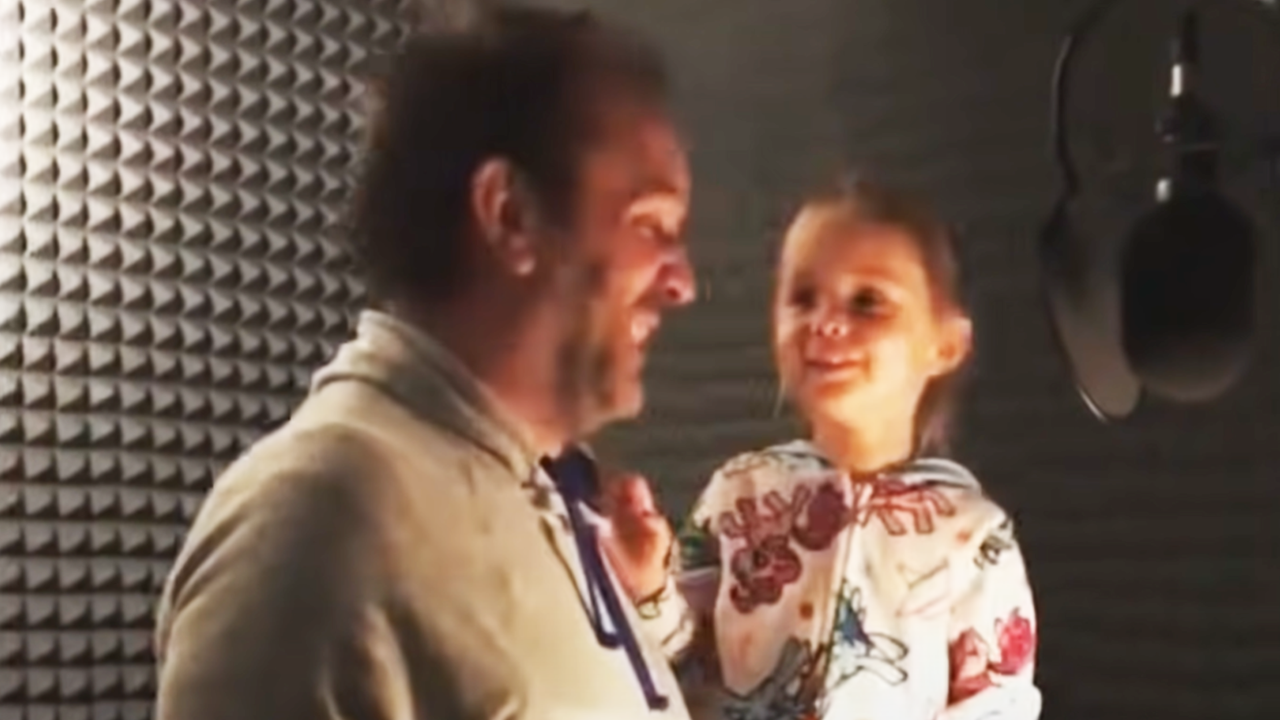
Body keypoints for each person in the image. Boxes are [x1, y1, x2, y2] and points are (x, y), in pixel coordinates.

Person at [152, 4, 699, 719]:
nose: (683, 283)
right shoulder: (313, 528)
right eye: (651, 225)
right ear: (511, 216)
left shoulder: (533, 494)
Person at [628, 178, 1041, 719]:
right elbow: (674, 667)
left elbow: (997, 707)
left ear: (945, 345)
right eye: (802, 298)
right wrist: (648, 588)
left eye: (868, 302)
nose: (824, 321)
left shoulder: (974, 536)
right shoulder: (740, 493)